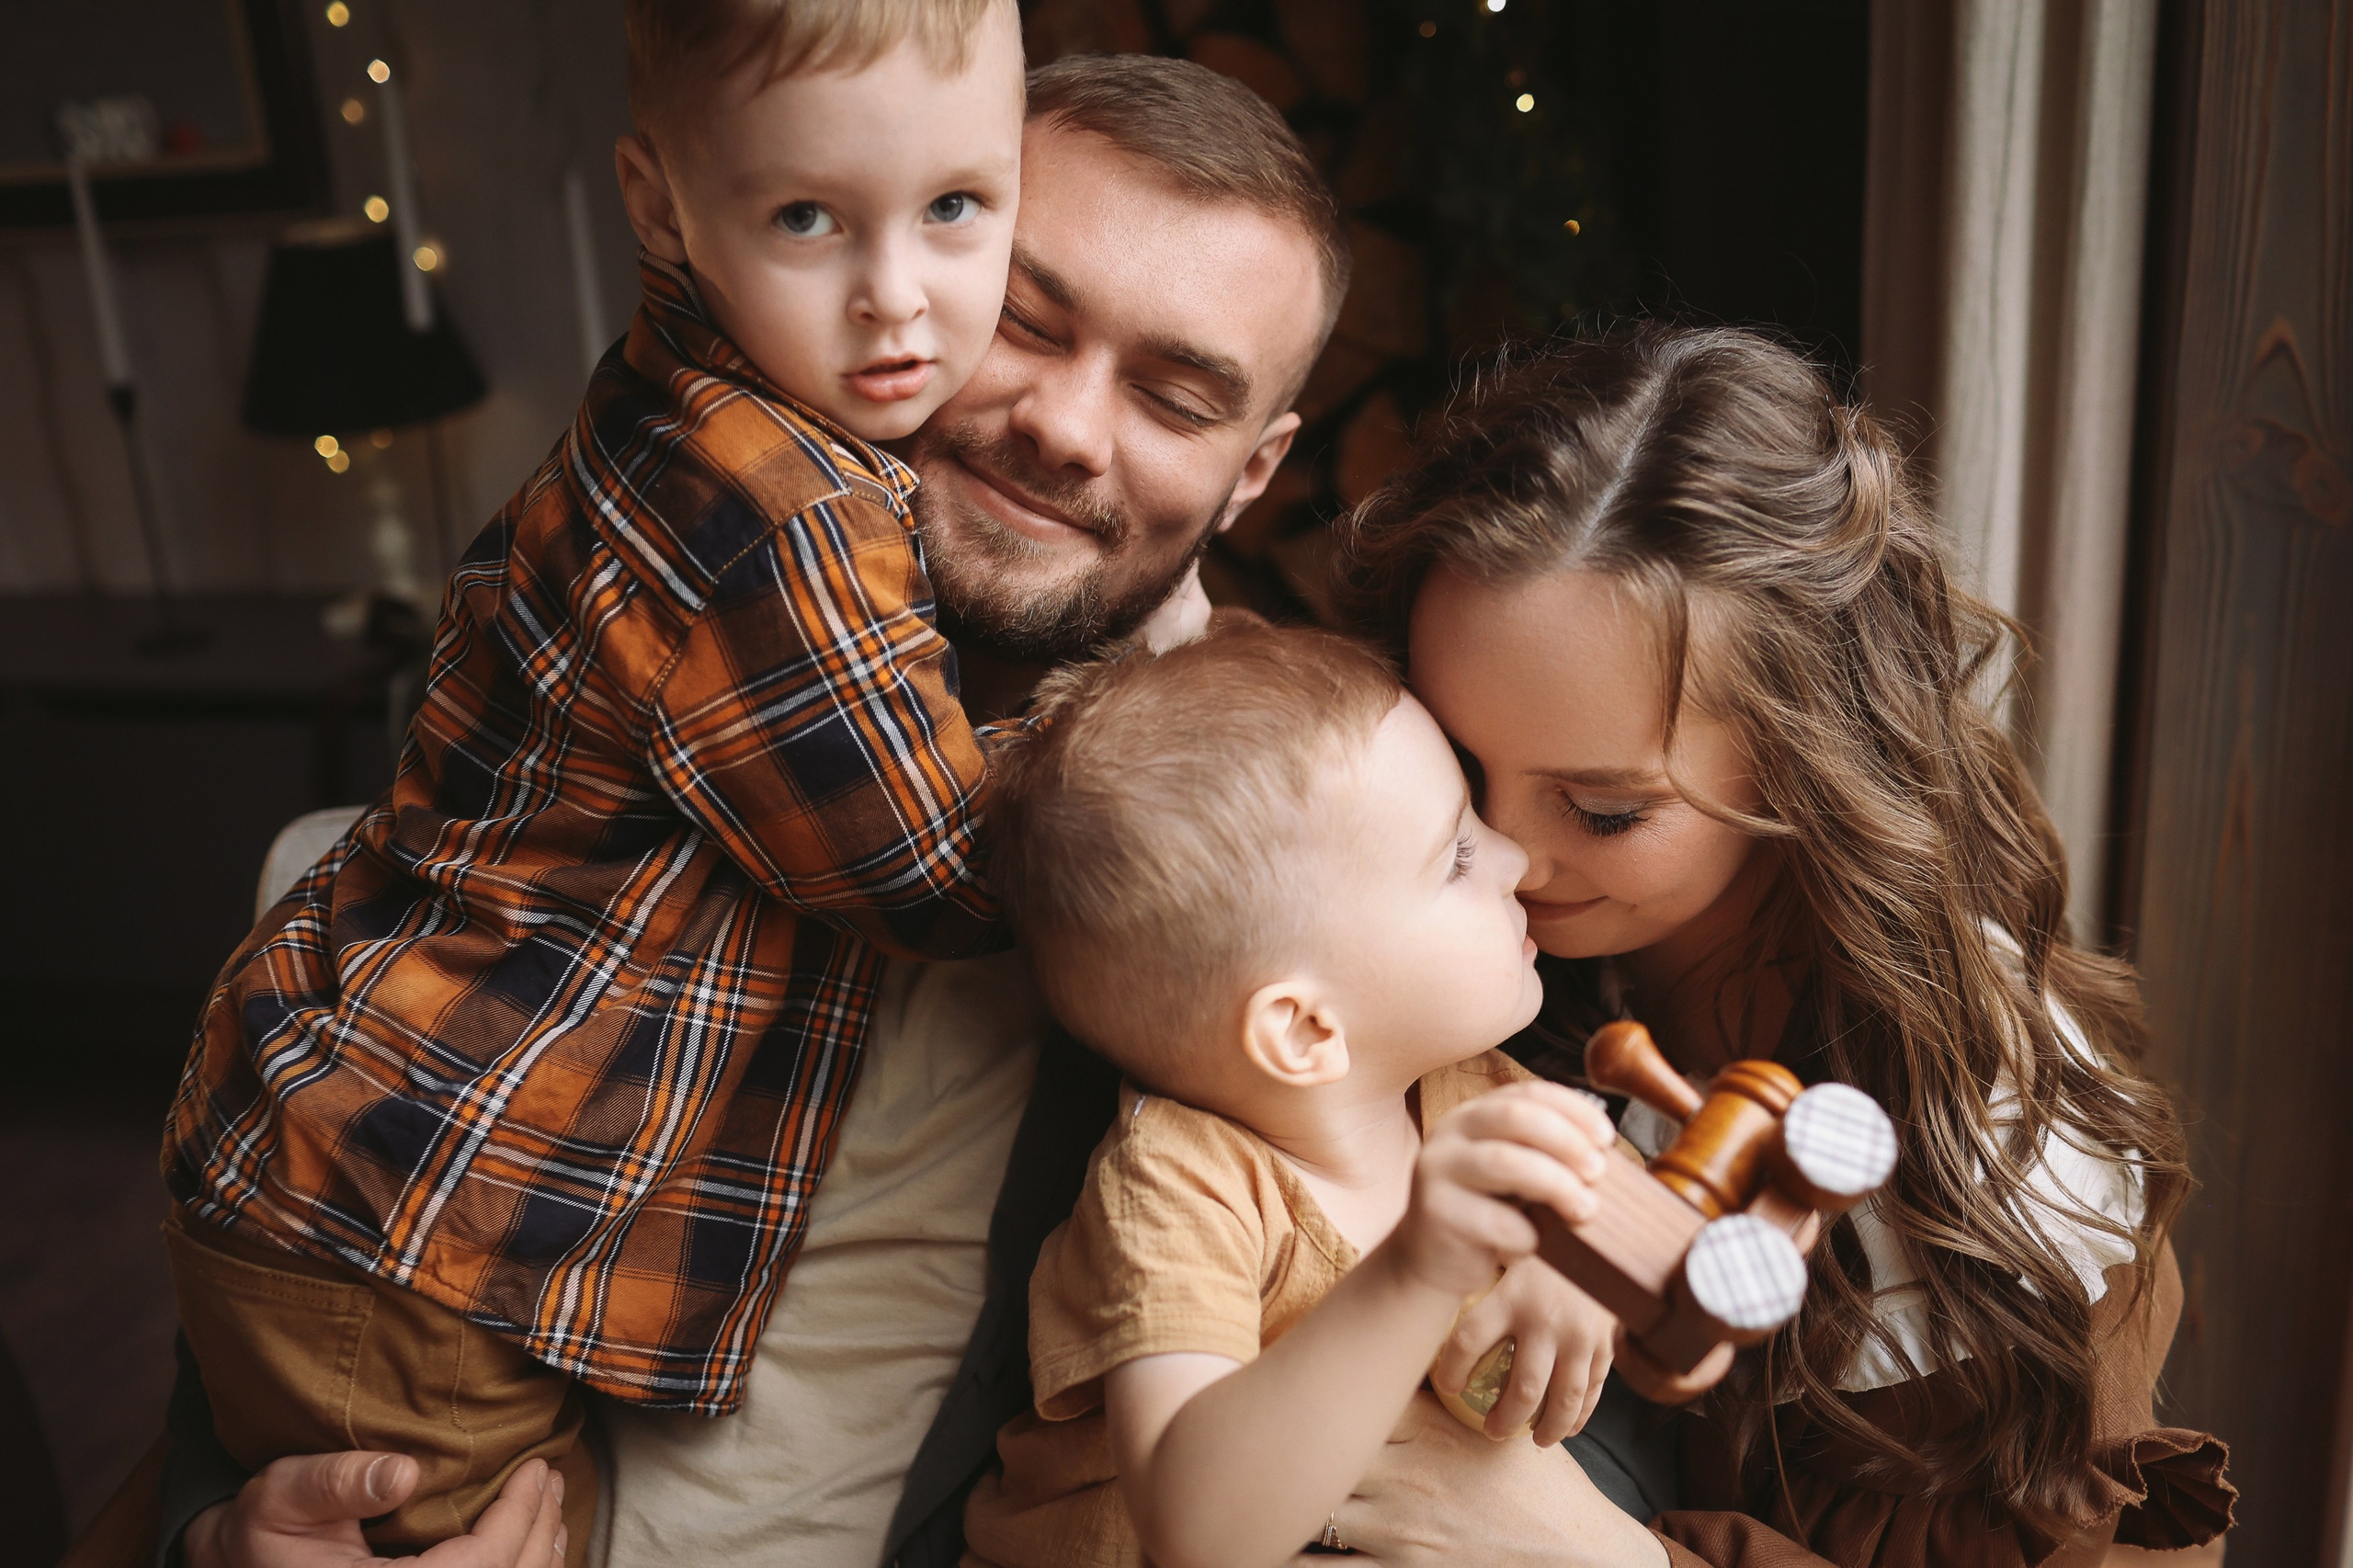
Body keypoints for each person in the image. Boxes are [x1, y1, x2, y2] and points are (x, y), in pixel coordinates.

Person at [159, 0, 1026, 1550]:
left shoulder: (666, 398)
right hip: (407, 1226)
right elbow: (943, 875)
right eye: (809, 217)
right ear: (658, 202)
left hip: (336, 1166)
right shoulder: (783, 511)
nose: (902, 302)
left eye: (960, 207)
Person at [1334, 325, 2237, 1565]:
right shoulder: (1456, 949)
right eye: (1454, 767)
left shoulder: (1979, 1118)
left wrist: (1615, 1559)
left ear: (1803, 757)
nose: (1503, 853)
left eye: (1602, 808)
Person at [958, 624, 1648, 1568]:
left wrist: (1585, 1266)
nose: (1517, 860)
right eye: (1453, 856)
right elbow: (1200, 1535)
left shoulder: (1470, 1091)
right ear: (1304, 1031)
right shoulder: (1176, 1185)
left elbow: (1650, 1206)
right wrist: (1416, 1265)